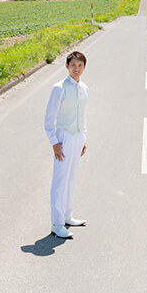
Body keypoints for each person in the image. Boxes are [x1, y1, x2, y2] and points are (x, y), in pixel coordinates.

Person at [43, 50, 89, 239]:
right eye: (73, 65)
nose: (76, 69)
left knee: (71, 177)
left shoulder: (84, 88)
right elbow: (49, 119)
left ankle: (67, 216)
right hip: (64, 137)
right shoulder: (59, 88)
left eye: (80, 65)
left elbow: (83, 116)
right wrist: (55, 143)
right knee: (60, 181)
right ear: (67, 67)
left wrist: (83, 140)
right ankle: (57, 223)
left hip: (77, 137)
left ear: (84, 67)